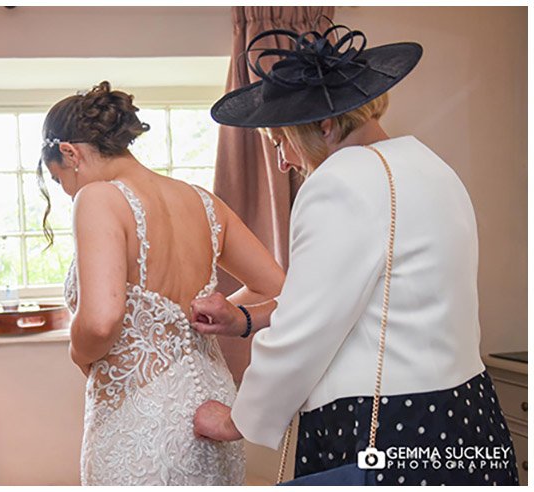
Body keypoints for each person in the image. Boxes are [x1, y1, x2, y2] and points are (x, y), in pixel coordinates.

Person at [191, 24, 519, 486]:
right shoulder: (430, 166)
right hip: (464, 412)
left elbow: (306, 330)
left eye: (281, 141)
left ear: (324, 126)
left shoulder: (340, 181)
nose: (283, 160)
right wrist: (245, 319)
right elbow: (366, 297)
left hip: (390, 424)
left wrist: (237, 420)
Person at [36, 81, 285, 485]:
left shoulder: (98, 198)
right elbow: (277, 287)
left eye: (58, 178)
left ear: (70, 153)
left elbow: (101, 321)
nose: (66, 192)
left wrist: (78, 352)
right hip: (213, 403)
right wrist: (221, 317)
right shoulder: (203, 200)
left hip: (142, 415)